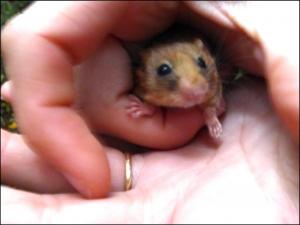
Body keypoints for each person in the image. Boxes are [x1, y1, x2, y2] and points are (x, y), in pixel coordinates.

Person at [1, 1, 298, 223]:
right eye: (166, 71)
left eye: (201, 66)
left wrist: (210, 112)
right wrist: (145, 107)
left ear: (206, 56)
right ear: (142, 73)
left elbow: (210, 94)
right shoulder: (144, 85)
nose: (194, 87)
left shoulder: (211, 77)